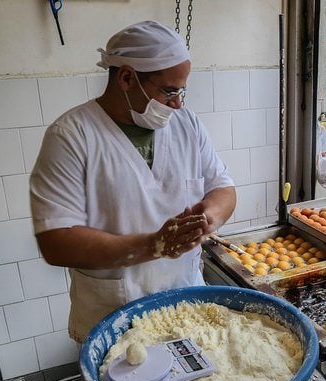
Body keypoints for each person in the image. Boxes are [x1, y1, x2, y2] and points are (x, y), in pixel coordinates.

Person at [29, 21, 236, 343]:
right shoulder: (72, 136)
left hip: (186, 298)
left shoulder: (186, 123)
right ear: (126, 77)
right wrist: (153, 244)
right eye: (169, 91)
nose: (178, 103)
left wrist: (206, 219)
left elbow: (222, 188)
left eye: (181, 91)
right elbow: (56, 242)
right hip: (115, 310)